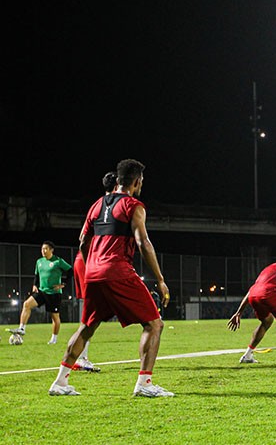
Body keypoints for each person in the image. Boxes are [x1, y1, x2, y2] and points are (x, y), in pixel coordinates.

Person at [48, 159, 172, 397]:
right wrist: (160, 279)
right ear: (137, 182)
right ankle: (145, 384)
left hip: (93, 273)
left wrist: (93, 265)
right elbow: (143, 242)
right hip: (117, 271)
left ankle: (60, 382)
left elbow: (83, 242)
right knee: (154, 324)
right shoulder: (134, 205)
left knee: (87, 327)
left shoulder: (96, 205)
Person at [70, 171, 117, 372]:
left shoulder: (97, 205)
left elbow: (83, 237)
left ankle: (78, 359)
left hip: (87, 260)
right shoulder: (115, 205)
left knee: (92, 313)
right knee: (91, 314)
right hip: (92, 261)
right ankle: (79, 359)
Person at [9, 241, 72, 344]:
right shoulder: (39, 261)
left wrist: (63, 283)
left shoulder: (58, 261)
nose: (43, 251)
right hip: (42, 291)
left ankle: (54, 339)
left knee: (55, 317)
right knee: (26, 304)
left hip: (54, 294)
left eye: (46, 249)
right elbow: (37, 275)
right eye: (42, 249)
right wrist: (35, 285)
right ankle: (22, 328)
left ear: (51, 250)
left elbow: (71, 271)